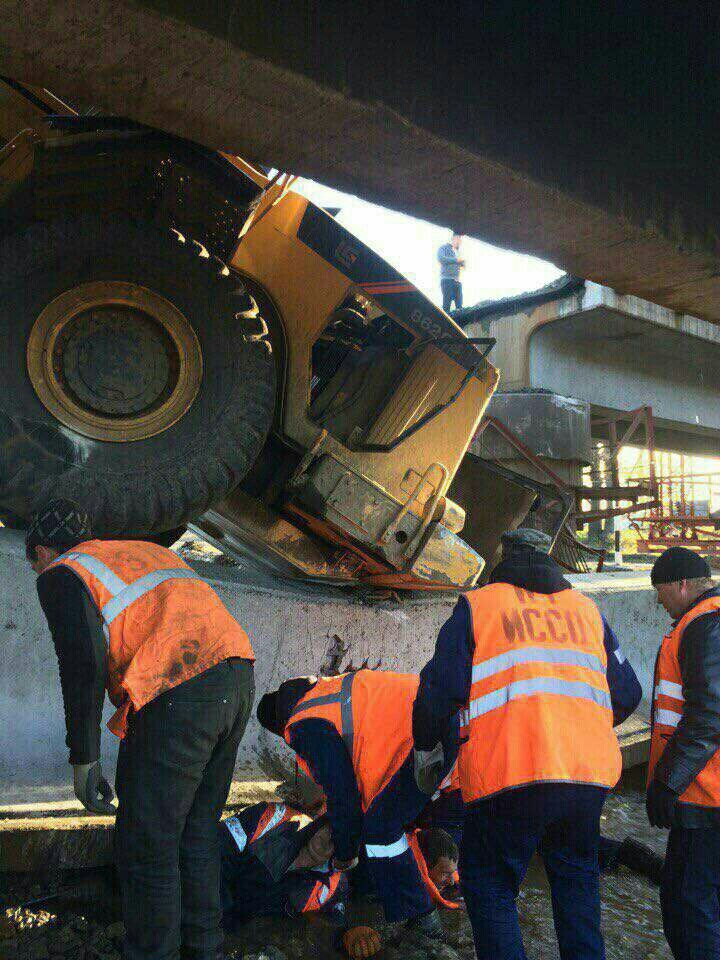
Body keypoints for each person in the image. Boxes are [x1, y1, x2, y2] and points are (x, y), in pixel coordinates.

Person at [27, 499, 256, 960]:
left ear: (44, 550)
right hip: (236, 675)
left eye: (33, 562)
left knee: (147, 845)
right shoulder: (140, 552)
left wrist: (84, 758)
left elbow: (82, 666)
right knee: (195, 830)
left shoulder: (64, 572)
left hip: (177, 690)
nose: (36, 573)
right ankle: (203, 948)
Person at [413, 527, 642, 960]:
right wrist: (582, 731)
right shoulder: (587, 611)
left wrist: (427, 748)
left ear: (504, 555)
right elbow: (628, 693)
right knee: (577, 884)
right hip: (585, 780)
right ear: (551, 556)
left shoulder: (477, 607)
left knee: (492, 887)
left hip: (509, 776)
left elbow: (438, 693)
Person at [256, 669, 458, 941]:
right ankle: (419, 904)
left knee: (381, 832)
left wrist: (345, 855)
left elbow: (342, 795)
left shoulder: (303, 722)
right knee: (386, 823)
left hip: (426, 736)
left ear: (281, 727)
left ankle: (423, 922)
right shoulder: (324, 694)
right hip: (434, 723)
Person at [646, 546, 720, 959]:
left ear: (682, 584)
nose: (658, 601)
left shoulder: (704, 627)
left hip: (705, 795)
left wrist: (667, 783)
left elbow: (708, 716)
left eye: (661, 590)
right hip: (707, 789)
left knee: (687, 908)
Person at [437, 232, 465, 312]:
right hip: (447, 280)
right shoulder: (443, 248)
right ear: (452, 239)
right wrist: (457, 261)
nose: (459, 241)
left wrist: (462, 264)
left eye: (460, 240)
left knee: (459, 307)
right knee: (447, 306)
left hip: (457, 281)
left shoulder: (458, 251)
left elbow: (459, 263)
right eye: (457, 239)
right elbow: (441, 259)